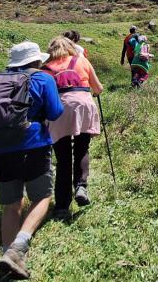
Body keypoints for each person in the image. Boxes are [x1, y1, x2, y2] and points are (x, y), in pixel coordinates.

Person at [0, 42, 64, 279]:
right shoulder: (43, 79)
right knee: (42, 196)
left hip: (0, 148)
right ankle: (18, 248)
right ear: (36, 61)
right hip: (33, 143)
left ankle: (7, 256)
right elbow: (55, 112)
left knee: (12, 203)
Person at [43, 36, 104, 220]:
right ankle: (81, 186)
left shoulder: (45, 68)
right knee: (82, 148)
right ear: (71, 47)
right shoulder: (81, 60)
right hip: (83, 106)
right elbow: (98, 89)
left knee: (63, 159)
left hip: (59, 110)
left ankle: (62, 206)